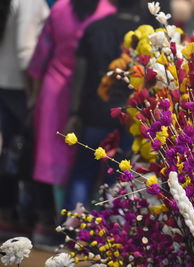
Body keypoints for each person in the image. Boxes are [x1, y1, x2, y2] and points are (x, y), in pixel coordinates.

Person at [64, 0, 170, 209]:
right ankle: (108, 229)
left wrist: (74, 112)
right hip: (132, 114)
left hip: (96, 110)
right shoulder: (148, 34)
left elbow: (80, 74)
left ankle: (71, 227)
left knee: (83, 173)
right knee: (120, 175)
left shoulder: (95, 27)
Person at [27, 0, 115, 245]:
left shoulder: (59, 8)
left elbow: (41, 53)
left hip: (53, 91)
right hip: (89, 94)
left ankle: (46, 223)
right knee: (82, 164)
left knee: (50, 160)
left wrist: (33, 94)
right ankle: (79, 230)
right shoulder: (107, 11)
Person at [0, 0, 49, 238]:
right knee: (28, 151)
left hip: (5, 82)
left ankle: (8, 213)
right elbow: (24, 51)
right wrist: (33, 95)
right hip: (21, 87)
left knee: (11, 151)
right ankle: (35, 217)